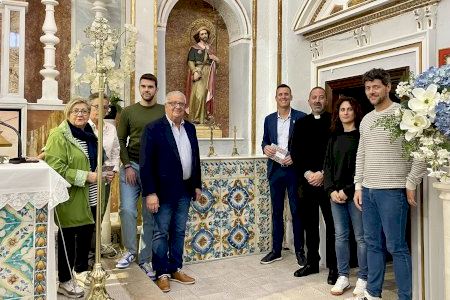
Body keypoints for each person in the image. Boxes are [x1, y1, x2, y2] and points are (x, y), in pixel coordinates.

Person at [353, 68, 426, 300]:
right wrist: (358, 186)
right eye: (367, 88)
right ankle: (373, 293)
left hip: (392, 192)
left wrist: (411, 182)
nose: (371, 91)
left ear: (388, 87)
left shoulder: (402, 114)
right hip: (368, 191)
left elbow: (420, 152)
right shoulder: (365, 119)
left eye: (375, 86)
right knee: (373, 245)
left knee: (397, 247)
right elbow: (361, 154)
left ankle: (405, 297)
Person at [44, 98, 113, 298]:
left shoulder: (90, 134)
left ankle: (80, 273)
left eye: (84, 110)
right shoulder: (59, 135)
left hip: (91, 195)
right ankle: (64, 280)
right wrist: (87, 176)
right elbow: (56, 168)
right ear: (68, 113)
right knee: (68, 241)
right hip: (71, 197)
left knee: (85, 236)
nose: (80, 114)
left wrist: (103, 171)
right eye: (76, 111)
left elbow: (99, 159)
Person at [140, 91, 201, 293]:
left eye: (181, 103)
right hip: (162, 193)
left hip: (184, 190)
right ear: (166, 105)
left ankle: (175, 268)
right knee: (160, 233)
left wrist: (196, 185)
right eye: (173, 103)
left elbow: (195, 158)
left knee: (179, 231)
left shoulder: (190, 128)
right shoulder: (153, 128)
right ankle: (162, 273)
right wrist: (150, 192)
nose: (177, 107)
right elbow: (146, 165)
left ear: (186, 107)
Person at [116, 73, 165, 279]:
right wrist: (127, 165)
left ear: (156, 89)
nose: (147, 90)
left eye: (150, 87)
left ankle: (145, 260)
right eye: (143, 86)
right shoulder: (128, 112)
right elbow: (120, 140)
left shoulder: (164, 111)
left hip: (153, 170)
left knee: (149, 214)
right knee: (127, 209)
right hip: (132, 167)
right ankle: (129, 251)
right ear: (139, 88)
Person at [291, 86, 338, 284]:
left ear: (326, 101)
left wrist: (323, 174)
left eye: (321, 97)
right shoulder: (301, 123)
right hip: (306, 182)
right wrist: (308, 173)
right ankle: (312, 262)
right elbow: (295, 151)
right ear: (309, 101)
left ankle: (335, 267)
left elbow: (336, 152)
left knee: (332, 226)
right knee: (309, 224)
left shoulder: (334, 122)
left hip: (328, 183)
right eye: (314, 98)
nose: (317, 101)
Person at [323, 96, 367, 297]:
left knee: (361, 238)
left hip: (355, 194)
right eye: (342, 109)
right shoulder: (333, 137)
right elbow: (328, 167)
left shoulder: (361, 136)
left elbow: (362, 168)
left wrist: (347, 190)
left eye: (349, 109)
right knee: (340, 237)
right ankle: (343, 276)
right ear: (338, 113)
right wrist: (331, 190)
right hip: (335, 196)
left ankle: (363, 278)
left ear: (355, 112)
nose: (346, 112)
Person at [260, 84, 307, 266]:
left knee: (296, 211)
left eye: (286, 94)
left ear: (291, 96)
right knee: (276, 212)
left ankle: (300, 251)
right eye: (280, 94)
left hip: (294, 171)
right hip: (275, 170)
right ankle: (276, 250)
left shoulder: (301, 118)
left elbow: (304, 145)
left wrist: (294, 158)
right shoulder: (269, 119)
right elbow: (264, 140)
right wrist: (265, 148)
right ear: (276, 97)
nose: (283, 97)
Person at [185, 26, 219, 124]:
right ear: (199, 36)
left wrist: (216, 60)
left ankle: (205, 117)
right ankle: (196, 117)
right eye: (202, 34)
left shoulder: (210, 48)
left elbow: (216, 64)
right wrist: (195, 71)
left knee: (207, 94)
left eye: (206, 33)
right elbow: (190, 61)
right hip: (199, 71)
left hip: (209, 72)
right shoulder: (194, 48)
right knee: (199, 94)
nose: (204, 35)